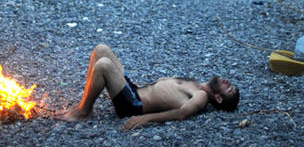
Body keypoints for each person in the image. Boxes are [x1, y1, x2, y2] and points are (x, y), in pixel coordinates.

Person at [59, 44, 240, 130]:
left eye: (229, 89)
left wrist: (147, 119)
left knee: (104, 64)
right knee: (101, 50)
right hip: (135, 90)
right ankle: (84, 103)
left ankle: (84, 111)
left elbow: (182, 113)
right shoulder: (195, 83)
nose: (228, 83)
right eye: (231, 85)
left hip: (134, 105)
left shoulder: (201, 96)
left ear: (218, 98)